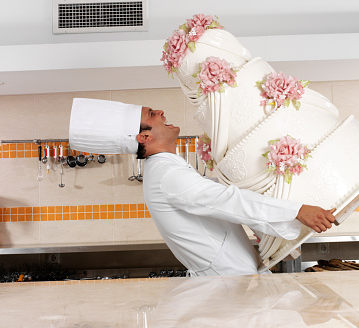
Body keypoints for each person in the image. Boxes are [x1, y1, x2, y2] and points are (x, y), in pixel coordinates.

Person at [69, 98, 336, 276]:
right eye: (152, 115)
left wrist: (273, 237)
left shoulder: (167, 168)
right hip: (228, 284)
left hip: (234, 278)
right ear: (144, 137)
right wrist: (296, 211)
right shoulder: (166, 174)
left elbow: (227, 204)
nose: (161, 112)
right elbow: (227, 200)